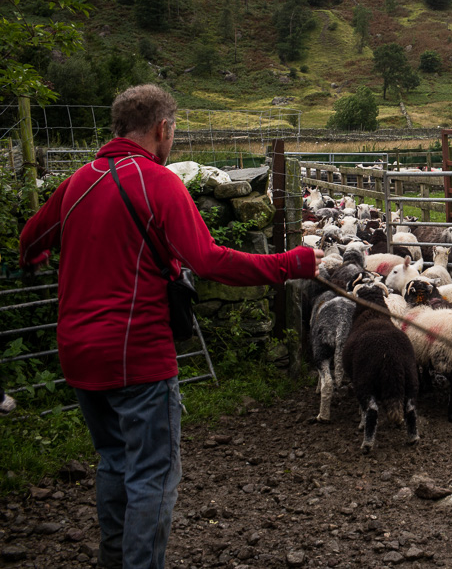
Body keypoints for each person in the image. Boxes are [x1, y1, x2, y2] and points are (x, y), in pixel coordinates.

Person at [19, 84, 323, 569]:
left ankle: (113, 560)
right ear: (163, 129)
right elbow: (208, 259)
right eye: (173, 132)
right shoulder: (159, 183)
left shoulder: (77, 182)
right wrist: (291, 263)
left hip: (78, 355)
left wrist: (37, 254)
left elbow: (32, 236)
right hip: (136, 356)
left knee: (114, 461)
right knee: (153, 476)